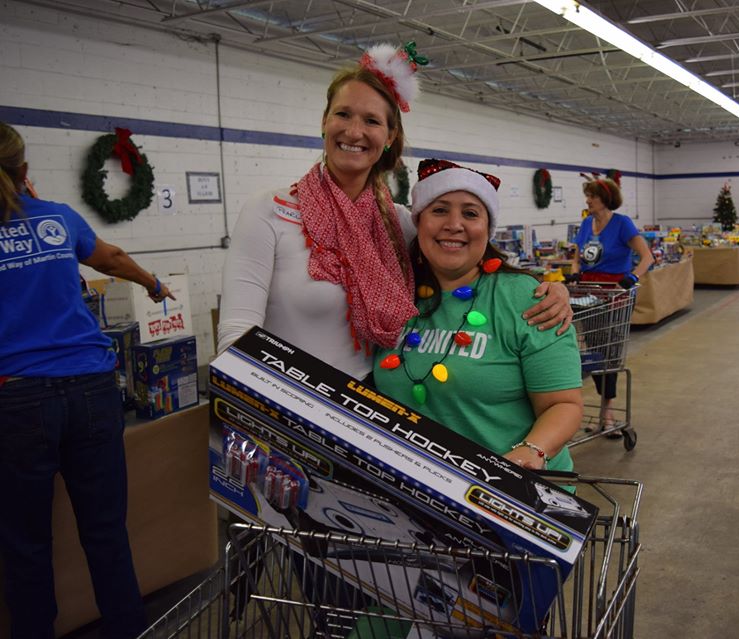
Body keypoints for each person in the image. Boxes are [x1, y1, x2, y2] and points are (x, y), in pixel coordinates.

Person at [218, 43, 571, 379]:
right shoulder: (269, 211)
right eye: (343, 114)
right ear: (325, 121)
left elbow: (471, 266)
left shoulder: (399, 225)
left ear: (389, 136)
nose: (354, 131)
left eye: (372, 121)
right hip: (287, 407)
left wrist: (546, 290)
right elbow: (237, 336)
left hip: (375, 405)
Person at [0, 122, 175, 639]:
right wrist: (154, 283)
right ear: (25, 171)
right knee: (105, 535)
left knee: (26, 547)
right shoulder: (55, 216)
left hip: (17, 399)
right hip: (93, 390)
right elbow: (113, 259)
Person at [374, 159, 583, 473]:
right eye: (439, 210)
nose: (454, 224)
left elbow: (563, 404)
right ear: (419, 222)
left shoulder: (526, 298)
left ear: (488, 227)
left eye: (470, 213)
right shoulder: (394, 294)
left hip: (511, 494)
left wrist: (531, 452)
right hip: (419, 490)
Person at [568, 177, 654, 436]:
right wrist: (574, 273)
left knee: (611, 353)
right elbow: (577, 256)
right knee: (595, 352)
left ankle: (607, 413)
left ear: (605, 198)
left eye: (592, 196)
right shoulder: (585, 223)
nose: (588, 200)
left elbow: (647, 256)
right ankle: (606, 414)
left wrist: (632, 278)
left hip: (614, 295)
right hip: (587, 294)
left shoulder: (622, 224)